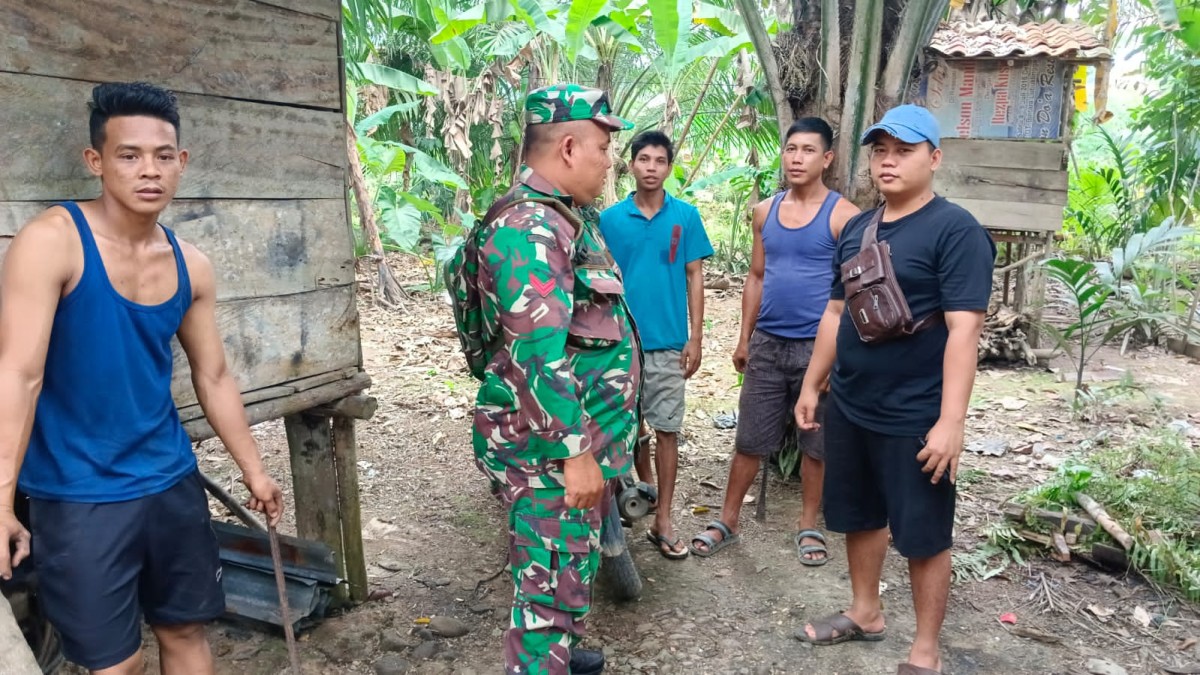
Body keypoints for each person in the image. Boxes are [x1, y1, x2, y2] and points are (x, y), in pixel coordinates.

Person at [0, 82, 284, 675]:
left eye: (162, 156)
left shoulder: (190, 263)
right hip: (79, 495)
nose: (147, 170)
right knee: (115, 665)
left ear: (181, 163)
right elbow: (19, 374)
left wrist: (254, 470)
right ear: (96, 162)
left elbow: (214, 376)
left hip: (169, 483)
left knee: (185, 634)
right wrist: (1, 497)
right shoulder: (52, 243)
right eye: (128, 155)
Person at [793, 105, 996, 675]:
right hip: (854, 402)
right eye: (880, 150)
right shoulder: (858, 227)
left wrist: (951, 421)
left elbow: (963, 331)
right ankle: (866, 612)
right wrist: (813, 384)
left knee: (924, 532)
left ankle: (925, 652)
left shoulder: (956, 231)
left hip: (916, 412)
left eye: (903, 150)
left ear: (933, 158)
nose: (888, 160)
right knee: (859, 514)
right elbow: (835, 313)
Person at [466, 84, 639, 675]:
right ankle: (545, 657)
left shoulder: (566, 218)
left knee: (566, 576)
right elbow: (536, 356)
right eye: (603, 148)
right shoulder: (530, 228)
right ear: (568, 147)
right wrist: (576, 452)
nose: (609, 160)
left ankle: (561, 647)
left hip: (569, 449)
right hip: (549, 456)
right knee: (544, 599)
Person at [689, 118, 858, 564]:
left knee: (815, 442)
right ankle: (727, 520)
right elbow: (757, 275)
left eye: (808, 150)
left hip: (816, 349)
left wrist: (833, 357)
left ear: (827, 159)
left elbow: (850, 297)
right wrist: (744, 338)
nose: (797, 158)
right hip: (768, 342)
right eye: (791, 149)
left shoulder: (844, 216)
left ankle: (808, 526)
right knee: (749, 438)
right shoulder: (765, 211)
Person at [599, 130, 713, 560]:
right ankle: (640, 497)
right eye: (643, 159)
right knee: (629, 430)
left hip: (667, 341)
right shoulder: (608, 220)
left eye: (659, 160)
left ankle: (664, 517)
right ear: (631, 164)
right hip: (617, 341)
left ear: (669, 167)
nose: (651, 167)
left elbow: (695, 276)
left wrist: (695, 336)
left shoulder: (685, 216)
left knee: (667, 429)